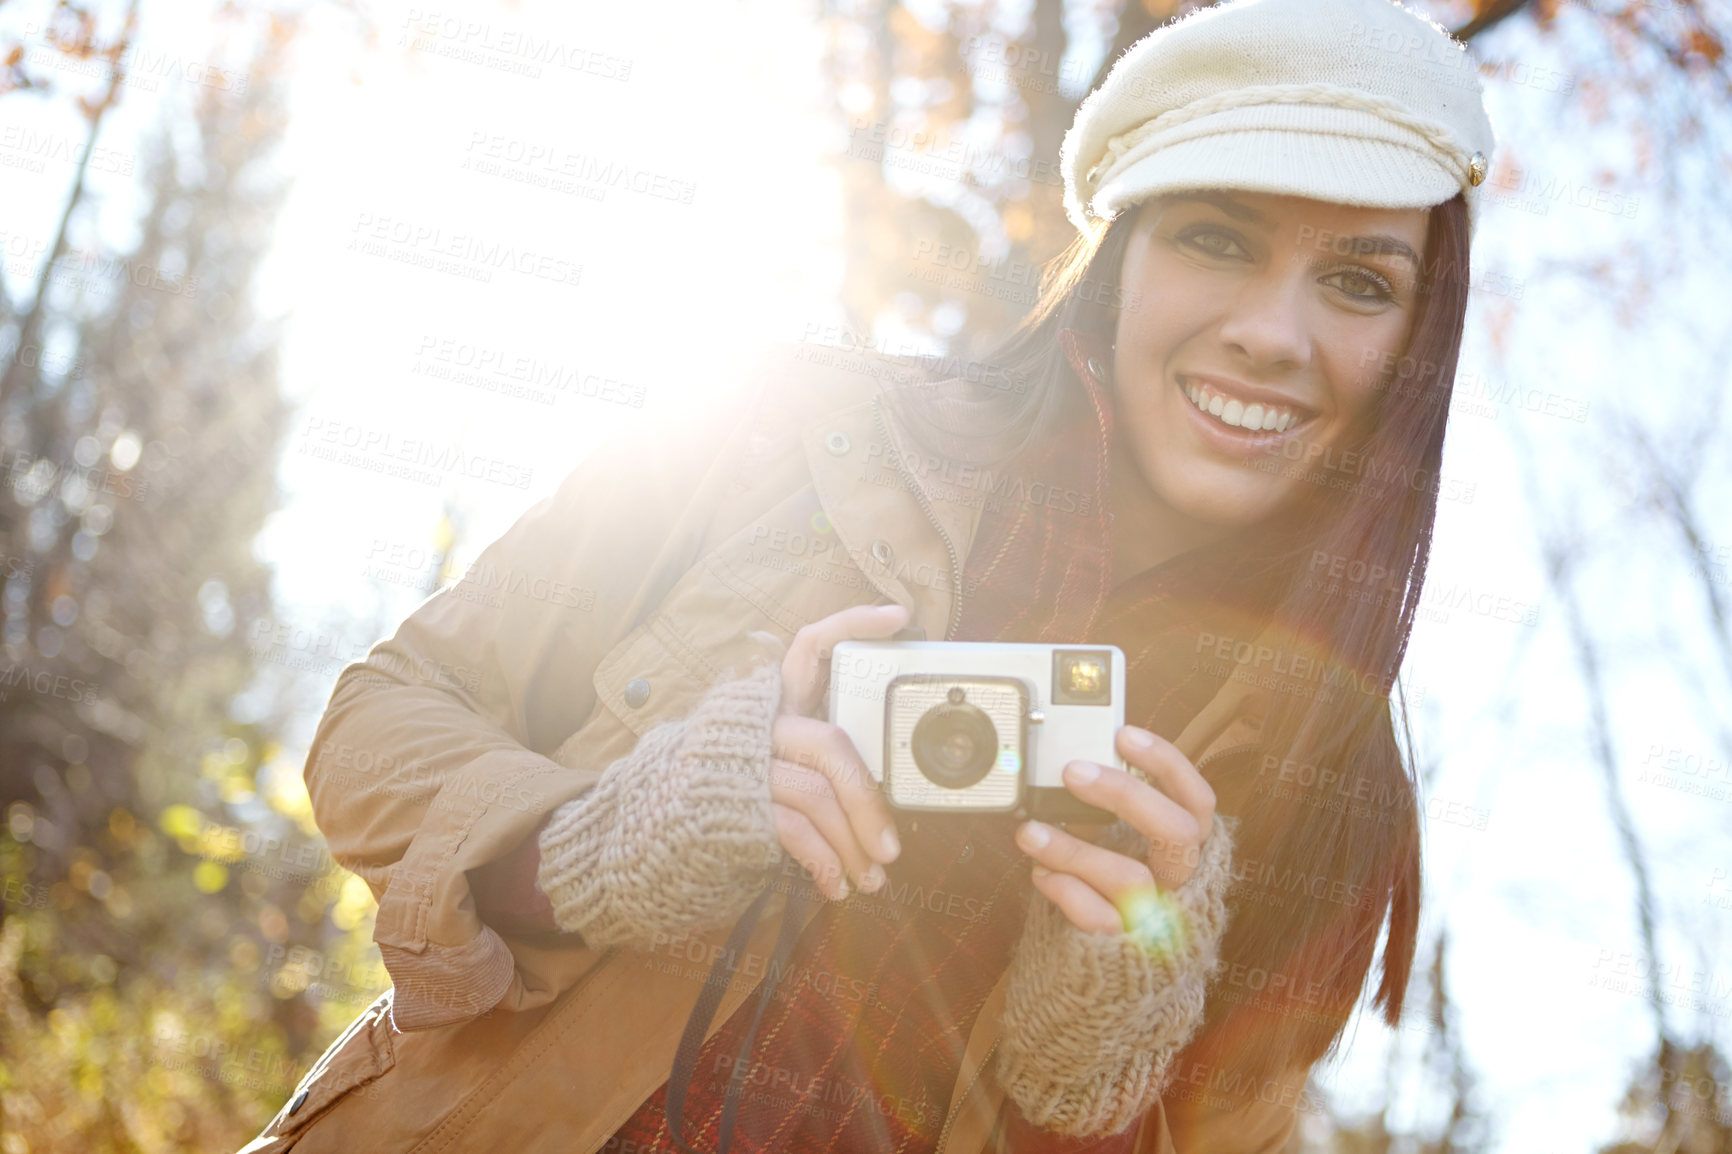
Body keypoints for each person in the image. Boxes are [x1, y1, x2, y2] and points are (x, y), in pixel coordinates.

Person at [239, 0, 1496, 1150]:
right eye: (1217, 238)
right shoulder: (785, 427)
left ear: (1413, 346)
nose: (1272, 334)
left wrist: (1092, 1069)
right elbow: (372, 726)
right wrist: (601, 836)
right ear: (1118, 262)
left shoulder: (1332, 778)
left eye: (1356, 280)